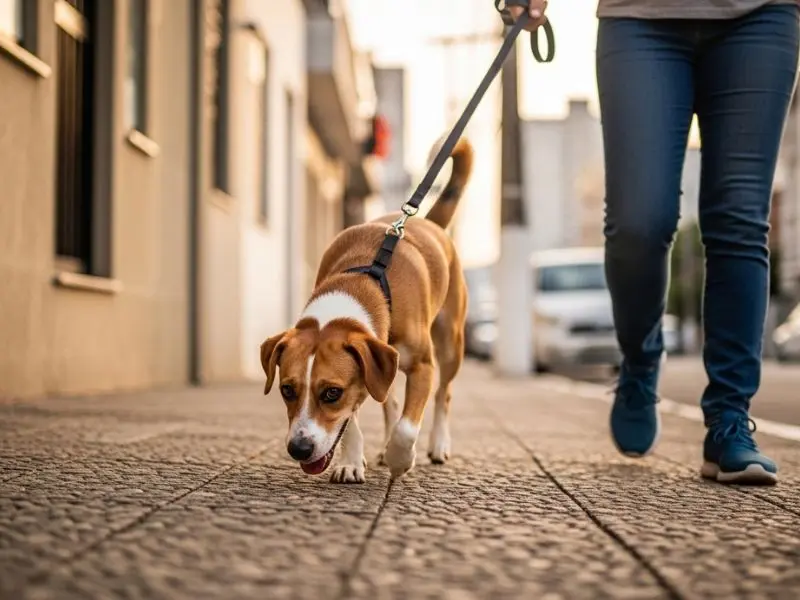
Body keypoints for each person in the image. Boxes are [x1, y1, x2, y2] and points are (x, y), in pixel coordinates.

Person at [508, 0, 799, 485]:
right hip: (640, 17)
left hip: (761, 15)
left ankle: (729, 418)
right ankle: (640, 360)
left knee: (740, 221)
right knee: (638, 222)